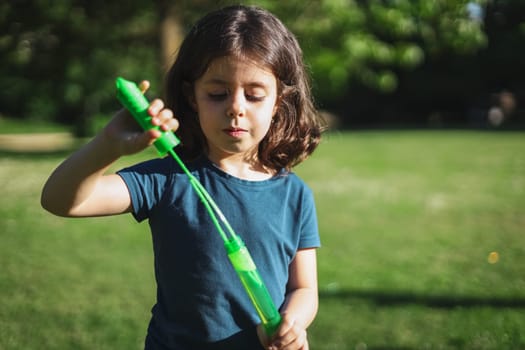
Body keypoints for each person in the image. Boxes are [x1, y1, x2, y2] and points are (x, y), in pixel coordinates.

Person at [41, 5, 324, 350]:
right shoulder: (168, 178)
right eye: (217, 94)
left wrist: (292, 323)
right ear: (192, 97)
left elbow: (304, 288)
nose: (236, 107)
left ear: (279, 100)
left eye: (254, 95)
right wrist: (107, 145)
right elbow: (60, 200)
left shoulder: (294, 195)